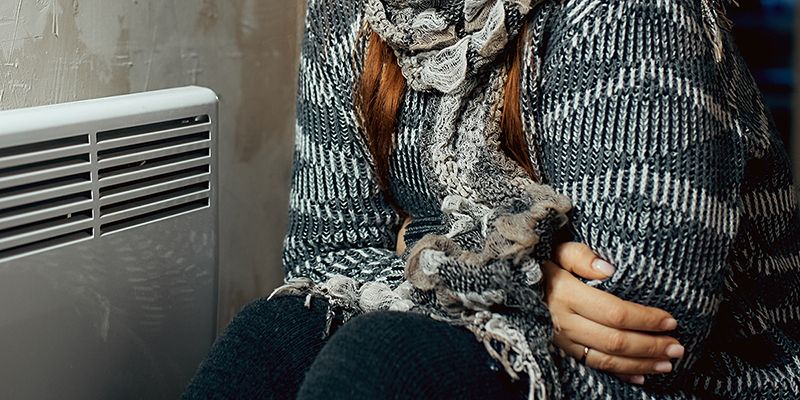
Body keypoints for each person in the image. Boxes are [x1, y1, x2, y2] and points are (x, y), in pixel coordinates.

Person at [183, 0, 800, 398]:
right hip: (511, 327)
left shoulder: (631, 12)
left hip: (701, 378)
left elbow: (642, 319)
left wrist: (412, 239)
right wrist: (530, 279)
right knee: (276, 333)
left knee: (387, 362)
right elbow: (325, 257)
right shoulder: (351, 12)